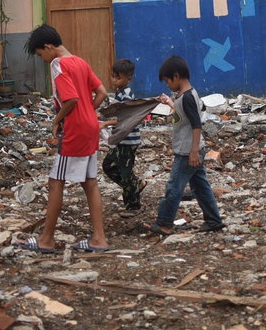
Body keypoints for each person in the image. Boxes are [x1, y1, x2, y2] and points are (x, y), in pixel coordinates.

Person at [16, 24, 109, 253]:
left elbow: (71, 100)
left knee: (56, 181)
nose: (44, 60)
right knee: (90, 182)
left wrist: (57, 120)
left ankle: (46, 240)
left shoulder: (59, 64)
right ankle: (99, 238)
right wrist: (89, 112)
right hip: (91, 127)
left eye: (41, 55)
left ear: (48, 47)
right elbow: (102, 93)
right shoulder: (80, 61)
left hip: (76, 130)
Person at [150, 55, 225, 235]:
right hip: (192, 149)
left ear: (176, 76)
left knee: (174, 188)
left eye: (168, 80)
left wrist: (193, 151)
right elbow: (181, 117)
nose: (167, 84)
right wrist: (169, 102)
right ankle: (213, 220)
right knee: (200, 186)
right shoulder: (185, 96)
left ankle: (165, 223)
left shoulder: (188, 98)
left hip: (187, 152)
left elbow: (196, 124)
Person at [102, 59, 148, 218]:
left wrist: (105, 123)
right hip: (121, 140)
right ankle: (136, 185)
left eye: (118, 78)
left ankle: (134, 206)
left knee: (125, 172)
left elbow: (124, 118)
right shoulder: (119, 93)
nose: (114, 80)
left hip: (128, 141)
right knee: (109, 165)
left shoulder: (127, 94)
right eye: (113, 76)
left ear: (129, 78)